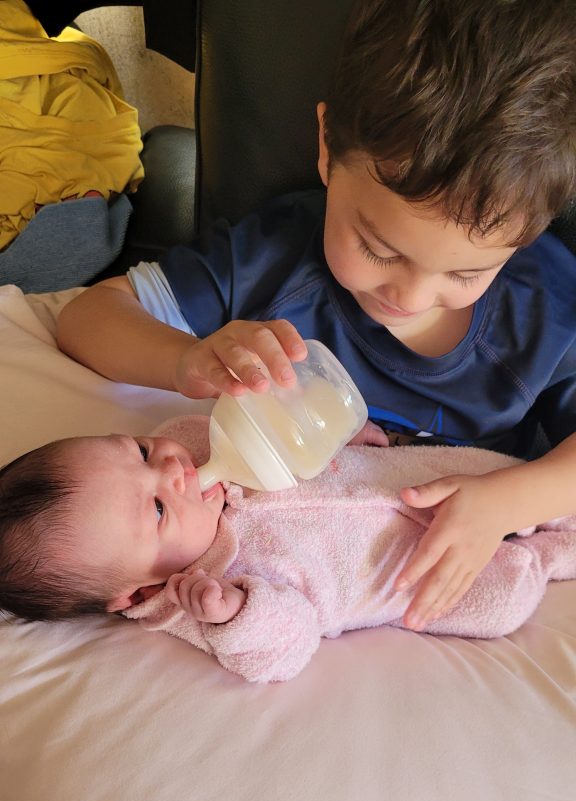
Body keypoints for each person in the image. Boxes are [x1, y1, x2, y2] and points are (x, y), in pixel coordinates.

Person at [56, 0, 576, 635]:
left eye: (466, 275)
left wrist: (513, 500)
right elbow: (87, 316)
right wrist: (186, 360)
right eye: (379, 249)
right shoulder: (271, 262)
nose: (410, 297)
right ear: (327, 146)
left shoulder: (549, 308)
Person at [1, 415, 576, 683]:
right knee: (501, 597)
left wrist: (334, 434)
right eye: (156, 508)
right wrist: (235, 615)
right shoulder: (193, 600)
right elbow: (287, 645)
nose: (173, 470)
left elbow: (278, 431)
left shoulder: (199, 443)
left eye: (140, 450)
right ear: (142, 588)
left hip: (415, 478)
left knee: (499, 475)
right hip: (413, 574)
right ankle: (550, 557)